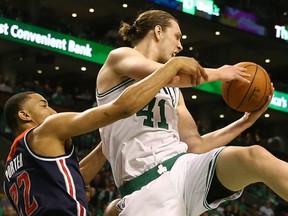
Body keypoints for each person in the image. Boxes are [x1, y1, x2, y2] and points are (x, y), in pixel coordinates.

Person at [96, 9, 288, 216]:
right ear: (158, 32)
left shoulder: (173, 91)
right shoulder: (120, 57)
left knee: (254, 156)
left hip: (183, 168)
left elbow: (196, 145)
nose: (180, 45)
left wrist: (245, 123)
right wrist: (222, 73)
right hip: (146, 186)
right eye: (177, 36)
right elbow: (169, 74)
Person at [2, 55, 202, 216]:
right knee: (119, 208)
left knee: (117, 209)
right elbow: (122, 108)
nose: (52, 111)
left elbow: (75, 178)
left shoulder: (11, 173)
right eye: (44, 105)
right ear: (24, 115)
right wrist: (173, 65)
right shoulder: (47, 129)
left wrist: (111, 139)